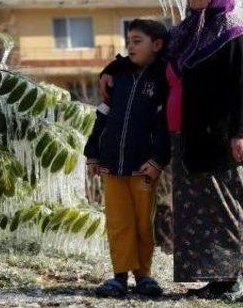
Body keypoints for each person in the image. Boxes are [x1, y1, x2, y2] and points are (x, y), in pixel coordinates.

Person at [167, 0, 243, 303]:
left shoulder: (235, 34)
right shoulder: (185, 35)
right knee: (206, 212)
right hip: (191, 139)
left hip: (228, 141)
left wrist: (241, 132)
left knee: (241, 210)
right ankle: (221, 279)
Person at [83, 19, 170, 298]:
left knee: (143, 222)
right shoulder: (117, 76)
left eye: (137, 41)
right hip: (111, 164)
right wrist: (92, 152)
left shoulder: (161, 80)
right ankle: (119, 277)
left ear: (156, 45)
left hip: (143, 166)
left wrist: (158, 160)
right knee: (118, 222)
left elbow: (164, 125)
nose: (130, 46)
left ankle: (144, 276)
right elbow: (102, 115)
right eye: (128, 40)